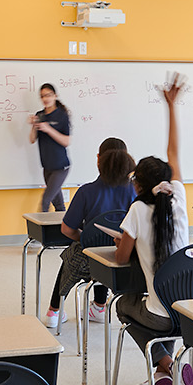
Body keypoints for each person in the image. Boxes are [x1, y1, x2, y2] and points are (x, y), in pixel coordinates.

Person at [112, 75, 193, 385]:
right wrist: (171, 105)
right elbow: (173, 151)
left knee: (123, 305)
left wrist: (126, 241)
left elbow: (121, 259)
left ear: (137, 186)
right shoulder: (178, 195)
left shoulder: (136, 210)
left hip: (163, 318)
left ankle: (167, 366)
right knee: (146, 304)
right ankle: (171, 368)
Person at [43, 137, 136, 332]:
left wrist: (86, 238)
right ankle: (100, 307)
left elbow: (66, 229)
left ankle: (54, 310)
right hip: (121, 262)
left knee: (71, 255)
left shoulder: (87, 191)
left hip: (87, 262)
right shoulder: (134, 192)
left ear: (98, 159)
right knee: (106, 251)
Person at [28, 83, 73, 212]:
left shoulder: (62, 115)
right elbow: (32, 140)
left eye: (48, 95)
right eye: (42, 96)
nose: (45, 99)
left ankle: (41, 232)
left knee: (45, 201)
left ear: (55, 96)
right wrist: (34, 125)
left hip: (60, 167)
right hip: (47, 167)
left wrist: (48, 129)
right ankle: (63, 231)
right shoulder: (40, 114)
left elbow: (66, 141)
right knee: (58, 204)